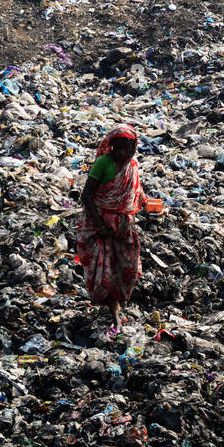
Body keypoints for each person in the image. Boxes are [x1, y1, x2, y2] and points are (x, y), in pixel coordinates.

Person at [76, 124, 147, 335]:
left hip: (121, 227)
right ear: (111, 146)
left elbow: (133, 194)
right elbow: (86, 196)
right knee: (104, 267)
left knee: (126, 264)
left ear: (133, 147)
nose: (123, 151)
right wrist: (100, 225)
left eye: (128, 146)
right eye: (119, 146)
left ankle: (116, 306)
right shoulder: (102, 163)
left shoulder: (132, 165)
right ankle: (114, 313)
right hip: (99, 226)